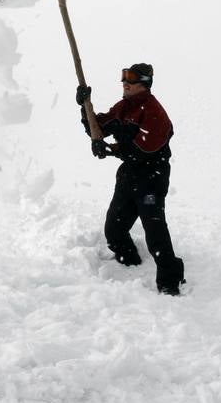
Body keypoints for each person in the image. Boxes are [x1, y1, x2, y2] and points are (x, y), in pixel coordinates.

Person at [77, 62, 186, 295]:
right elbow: (99, 127)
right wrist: (85, 106)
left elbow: (142, 149)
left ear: (144, 84)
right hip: (129, 176)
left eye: (131, 80)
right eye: (124, 78)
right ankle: (130, 262)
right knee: (114, 231)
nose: (125, 83)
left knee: (155, 232)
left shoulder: (154, 112)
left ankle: (170, 281)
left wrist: (109, 149)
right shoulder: (124, 107)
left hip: (151, 178)